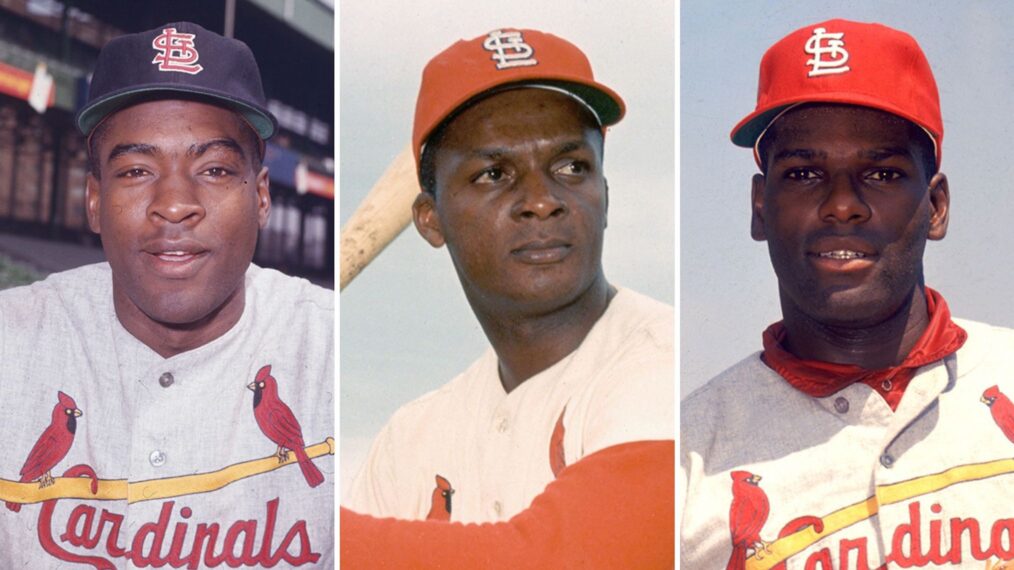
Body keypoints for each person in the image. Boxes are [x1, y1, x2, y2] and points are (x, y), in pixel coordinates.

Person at [681, 18, 1014, 569]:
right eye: (805, 173)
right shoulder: (688, 459)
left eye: (881, 174)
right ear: (760, 207)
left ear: (936, 207)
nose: (842, 204)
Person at [0, 22, 334, 568]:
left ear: (262, 197)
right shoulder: (9, 345)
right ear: (93, 200)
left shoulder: (330, 350)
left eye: (215, 169)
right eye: (136, 170)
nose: (175, 203)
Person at [341, 28, 674, 567]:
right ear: (431, 220)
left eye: (571, 167)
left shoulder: (661, 362)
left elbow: (571, 557)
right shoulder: (410, 438)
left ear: (605, 196)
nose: (542, 202)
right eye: (494, 174)